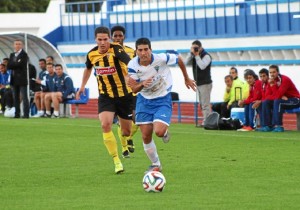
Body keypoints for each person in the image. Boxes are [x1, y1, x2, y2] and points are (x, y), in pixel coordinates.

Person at [127, 37, 196, 173]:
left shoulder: (161, 58)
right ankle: (155, 164)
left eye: (146, 49)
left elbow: (179, 59)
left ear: (150, 50)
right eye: (140, 50)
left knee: (158, 131)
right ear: (136, 52)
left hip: (162, 98)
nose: (143, 53)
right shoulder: (132, 65)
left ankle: (164, 132)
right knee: (146, 135)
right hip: (144, 100)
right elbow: (134, 89)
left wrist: (186, 78)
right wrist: (142, 84)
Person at [76, 26, 133, 174]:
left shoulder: (117, 50)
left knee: (127, 131)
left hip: (124, 96)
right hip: (106, 96)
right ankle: (116, 161)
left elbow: (130, 63)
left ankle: (125, 140)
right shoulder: (92, 54)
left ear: (109, 39)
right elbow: (88, 69)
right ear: (95, 40)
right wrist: (82, 86)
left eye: (105, 39)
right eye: (99, 40)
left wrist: (132, 76)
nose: (102, 43)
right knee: (105, 124)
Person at [111, 25, 137, 158]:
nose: (117, 38)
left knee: (137, 119)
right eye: (115, 36)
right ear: (111, 37)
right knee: (122, 120)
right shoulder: (106, 53)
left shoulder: (131, 51)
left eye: (120, 35)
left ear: (124, 37)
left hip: (133, 90)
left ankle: (130, 137)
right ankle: (124, 147)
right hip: (118, 92)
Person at [185, 40, 212, 126]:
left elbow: (202, 66)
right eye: (193, 48)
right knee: (201, 103)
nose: (195, 49)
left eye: (196, 48)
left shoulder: (206, 56)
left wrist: (197, 56)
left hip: (205, 83)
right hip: (199, 83)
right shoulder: (193, 55)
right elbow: (186, 63)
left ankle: (207, 122)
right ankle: (206, 121)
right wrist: (191, 54)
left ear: (200, 47)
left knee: (205, 104)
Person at [266, 65, 300, 132]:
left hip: (295, 100)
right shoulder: (271, 81)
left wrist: (273, 86)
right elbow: (267, 96)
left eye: (274, 72)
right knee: (266, 102)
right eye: (270, 73)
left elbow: (277, 95)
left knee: (277, 102)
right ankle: (268, 126)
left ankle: (279, 126)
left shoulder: (284, 79)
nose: (272, 74)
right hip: (284, 100)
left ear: (278, 72)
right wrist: (280, 96)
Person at [7, 39, 30, 118]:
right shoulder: (12, 54)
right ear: (14, 45)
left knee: (24, 97)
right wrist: (15, 64)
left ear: (22, 45)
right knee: (15, 97)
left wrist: (14, 64)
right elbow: (9, 66)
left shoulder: (24, 55)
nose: (17, 45)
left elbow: (21, 65)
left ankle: (26, 114)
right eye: (16, 44)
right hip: (13, 79)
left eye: (19, 44)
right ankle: (17, 114)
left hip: (22, 79)